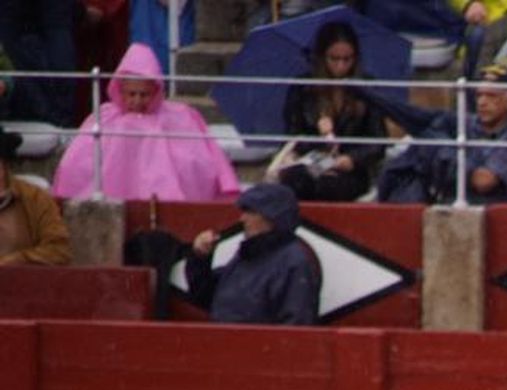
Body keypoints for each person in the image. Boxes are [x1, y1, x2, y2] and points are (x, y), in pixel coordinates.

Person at [51, 42, 240, 202]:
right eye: (132, 94)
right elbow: (76, 161)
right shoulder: (104, 116)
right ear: (121, 90)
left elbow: (199, 160)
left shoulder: (181, 114)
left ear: (156, 91)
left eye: (144, 94)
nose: (137, 101)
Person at [376, 63, 507, 204]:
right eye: (479, 95)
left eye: (491, 96)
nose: (482, 102)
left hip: (495, 210)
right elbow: (419, 117)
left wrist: (445, 151)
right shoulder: (464, 122)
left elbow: (484, 182)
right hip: (446, 204)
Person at [276, 20, 388, 203]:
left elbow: (378, 142)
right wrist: (320, 140)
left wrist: (352, 159)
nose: (341, 66)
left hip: (350, 169)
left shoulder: (368, 87)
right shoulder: (303, 87)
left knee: (330, 186)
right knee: (297, 182)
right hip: (311, 163)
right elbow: (291, 135)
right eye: (334, 59)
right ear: (322, 57)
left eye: (347, 59)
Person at [184, 183, 318, 325]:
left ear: (273, 218)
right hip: (227, 338)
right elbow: (207, 297)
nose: (242, 219)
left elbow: (296, 324)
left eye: (251, 212)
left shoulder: (293, 263)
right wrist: (200, 258)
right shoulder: (247, 255)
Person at [0, 126, 71, 266]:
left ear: (3, 161)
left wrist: (16, 260)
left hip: (20, 278)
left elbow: (59, 250)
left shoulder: (35, 198)